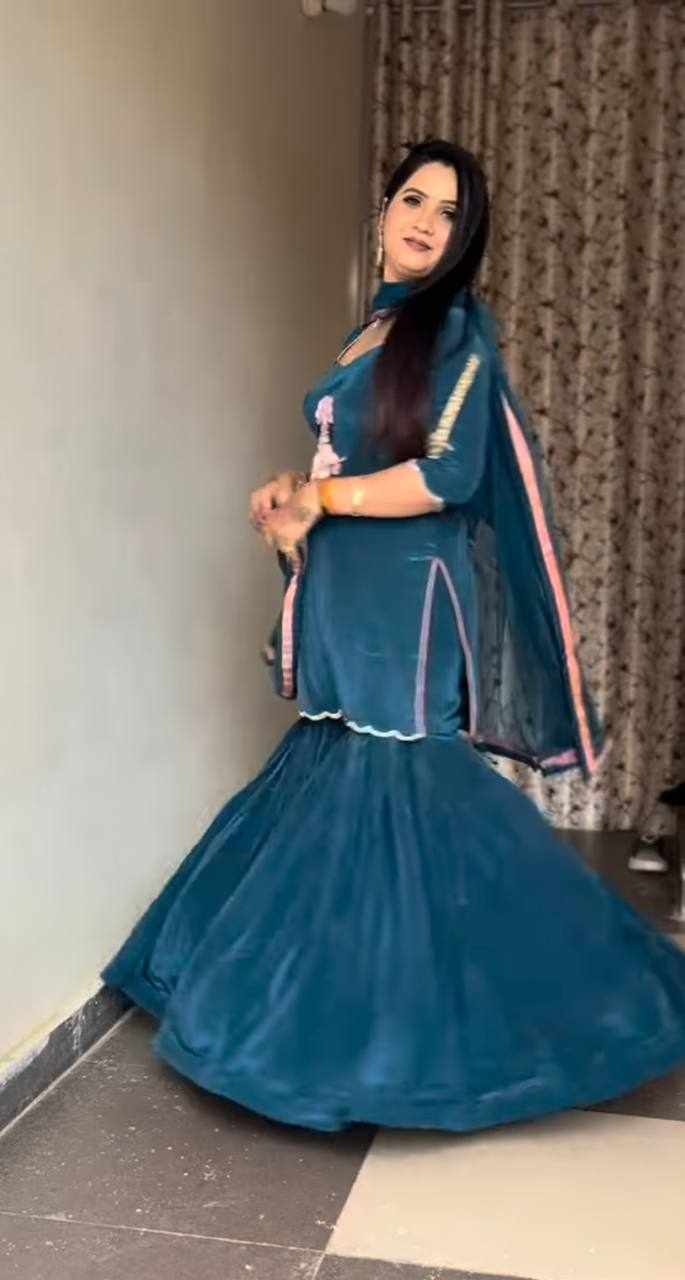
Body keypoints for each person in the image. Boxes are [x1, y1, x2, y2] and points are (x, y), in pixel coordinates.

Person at [103, 139, 685, 1133]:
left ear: (466, 240)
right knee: (335, 767)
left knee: (404, 789)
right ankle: (317, 1014)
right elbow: (349, 462)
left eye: (449, 213)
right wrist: (294, 498)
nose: (425, 222)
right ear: (382, 211)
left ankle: (520, 1018)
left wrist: (322, 496)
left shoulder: (454, 328)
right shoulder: (371, 332)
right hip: (348, 586)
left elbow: (448, 475)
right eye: (412, 199)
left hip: (408, 598)